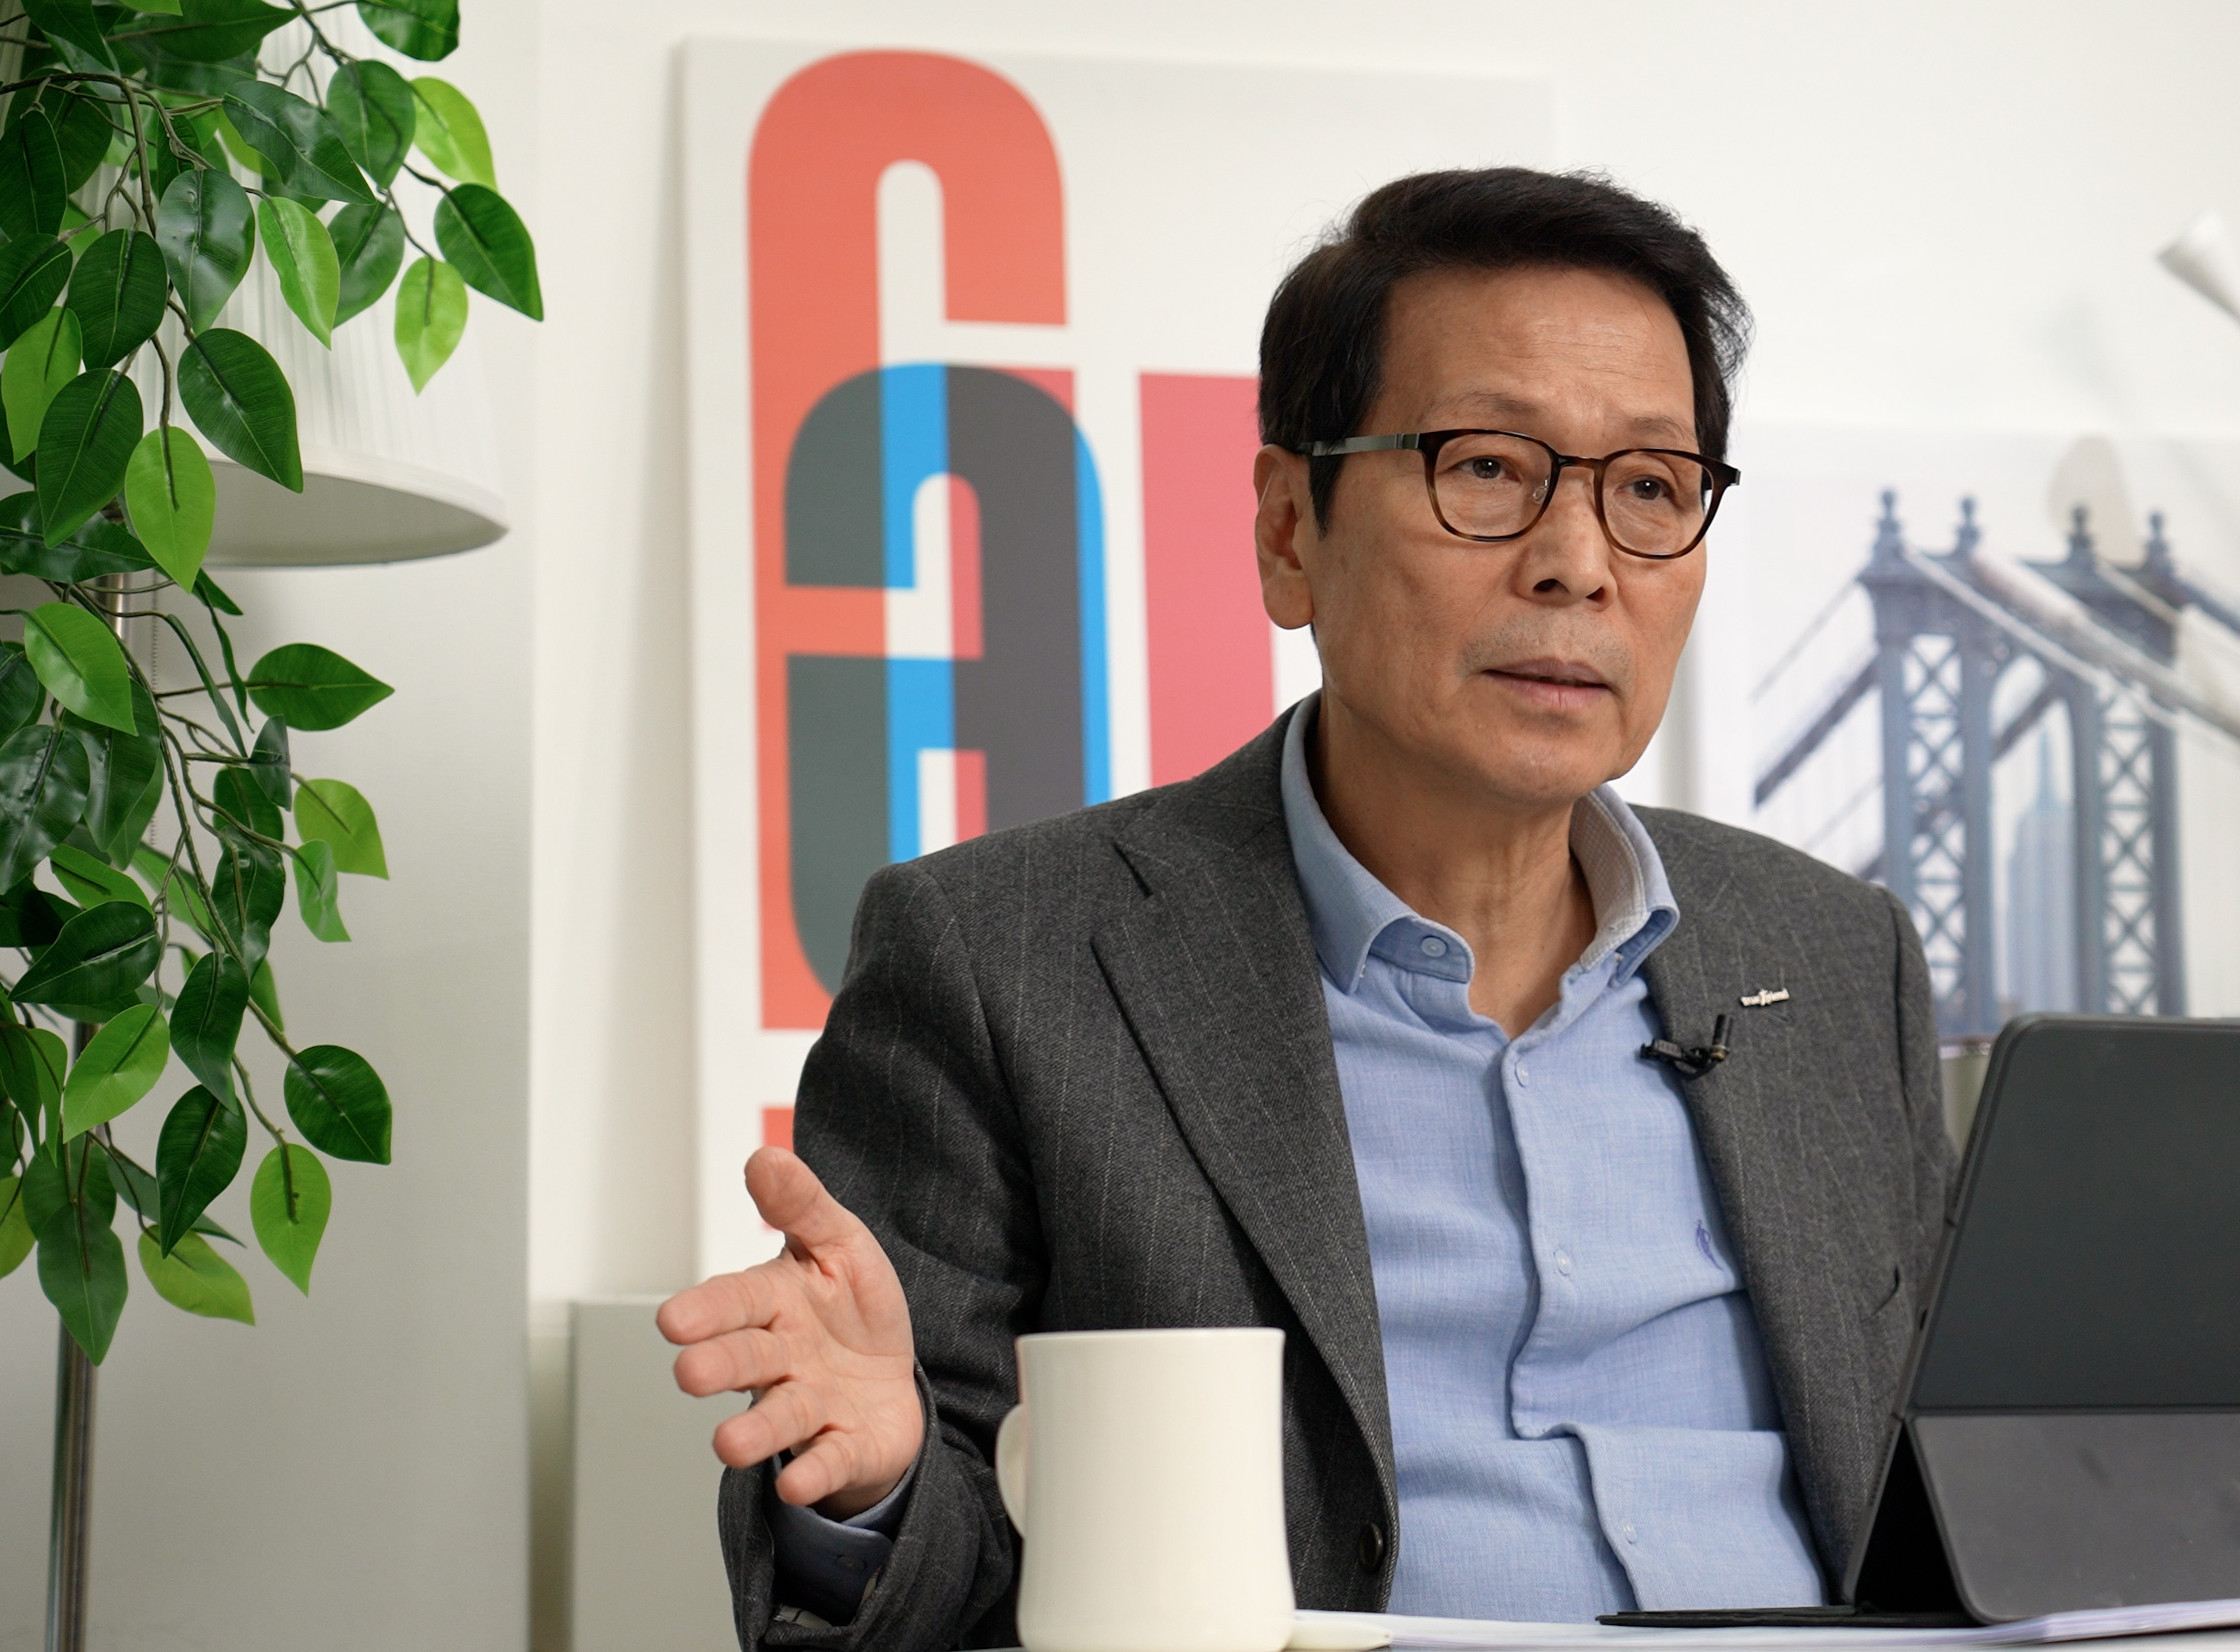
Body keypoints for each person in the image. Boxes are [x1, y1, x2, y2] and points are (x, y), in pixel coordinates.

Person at [658, 167, 1955, 1650]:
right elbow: (938, 1578)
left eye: (1651, 487)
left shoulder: (1833, 958)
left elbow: (1956, 1504)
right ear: (1291, 530)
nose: (1578, 564)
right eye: (1487, 468)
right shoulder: (1004, 962)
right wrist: (878, 1484)